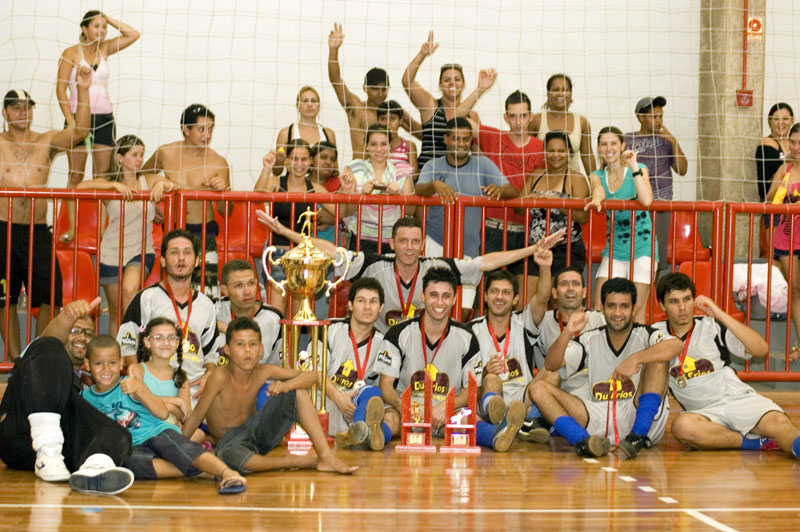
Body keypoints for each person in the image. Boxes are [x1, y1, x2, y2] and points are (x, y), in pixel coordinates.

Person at [258, 215, 562, 333]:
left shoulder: (437, 267)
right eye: (402, 241)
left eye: (415, 241)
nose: (409, 247)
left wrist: (532, 249)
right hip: (377, 342)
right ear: (393, 243)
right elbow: (332, 250)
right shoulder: (373, 263)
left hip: (418, 344)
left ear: (422, 244)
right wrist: (287, 232)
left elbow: (485, 262)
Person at [181, 317, 358, 475]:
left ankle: (325, 456)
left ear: (261, 349)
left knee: (297, 391)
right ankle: (303, 461)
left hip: (257, 434)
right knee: (227, 456)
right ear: (227, 350)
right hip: (230, 443)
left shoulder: (263, 371)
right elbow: (197, 416)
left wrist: (286, 385)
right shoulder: (219, 377)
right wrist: (176, 448)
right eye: (240, 344)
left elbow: (314, 375)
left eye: (253, 344)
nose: (247, 350)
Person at [530, 277, 683, 458]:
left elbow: (676, 345)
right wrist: (567, 332)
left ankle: (637, 436)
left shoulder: (645, 334)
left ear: (634, 309)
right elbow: (551, 364)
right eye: (611, 306)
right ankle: (583, 441)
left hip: (638, 414)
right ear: (602, 308)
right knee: (537, 388)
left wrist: (636, 358)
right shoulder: (590, 338)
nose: (618, 313)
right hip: (598, 415)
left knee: (658, 357)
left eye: (624, 306)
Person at [653, 272, 800, 459]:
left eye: (687, 299)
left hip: (739, 400)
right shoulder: (655, 334)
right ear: (661, 305)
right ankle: (756, 443)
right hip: (704, 413)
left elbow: (761, 349)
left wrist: (719, 314)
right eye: (674, 301)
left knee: (780, 424)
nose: (682, 307)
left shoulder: (712, 325)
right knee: (682, 427)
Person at [0, 69, 92, 360]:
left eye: (27, 107)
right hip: (3, 228)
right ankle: (16, 361)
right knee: (6, 299)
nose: (22, 112)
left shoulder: (46, 142)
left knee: (50, 297)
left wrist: (84, 89)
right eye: (15, 107)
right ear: (4, 112)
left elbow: (80, 132)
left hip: (37, 230)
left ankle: (37, 354)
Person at [0, 298, 134, 495]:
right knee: (51, 348)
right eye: (75, 330)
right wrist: (67, 317)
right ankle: (48, 452)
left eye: (88, 333)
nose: (82, 337)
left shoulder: (89, 382)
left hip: (61, 457)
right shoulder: (41, 354)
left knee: (118, 434)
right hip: (19, 437)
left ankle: (93, 472)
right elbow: (49, 339)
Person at [81, 334, 247, 493]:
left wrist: (140, 389)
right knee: (129, 464)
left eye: (111, 363)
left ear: (121, 362)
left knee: (181, 449)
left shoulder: (130, 383)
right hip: (133, 445)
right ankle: (203, 469)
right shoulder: (84, 398)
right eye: (98, 364)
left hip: (157, 432)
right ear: (87, 365)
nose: (106, 369)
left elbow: (161, 412)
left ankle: (227, 473)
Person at [375, 268, 504, 443]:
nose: (440, 302)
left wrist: (446, 406)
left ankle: (498, 436)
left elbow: (473, 389)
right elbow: (385, 385)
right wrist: (402, 405)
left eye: (446, 296)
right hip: (407, 410)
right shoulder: (398, 333)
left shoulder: (466, 338)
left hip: (448, 411)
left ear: (454, 299)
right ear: (423, 296)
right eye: (434, 295)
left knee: (467, 422)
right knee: (390, 419)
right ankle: (373, 437)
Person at [70, 134, 176, 334]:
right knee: (116, 314)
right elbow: (80, 187)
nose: (139, 160)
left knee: (129, 290)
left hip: (140, 249)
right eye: (134, 155)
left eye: (141, 155)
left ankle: (130, 348)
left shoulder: (147, 180)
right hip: (111, 252)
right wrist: (113, 186)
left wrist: (163, 185)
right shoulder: (109, 184)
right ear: (119, 158)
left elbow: (174, 184)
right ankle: (117, 358)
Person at [117, 229, 223, 403]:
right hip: (154, 389)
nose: (181, 258)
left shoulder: (206, 305)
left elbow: (212, 352)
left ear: (197, 261)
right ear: (164, 261)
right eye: (174, 252)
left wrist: (209, 373)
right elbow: (126, 344)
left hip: (195, 390)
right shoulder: (146, 298)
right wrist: (143, 381)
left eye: (187, 252)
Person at [254, 141, 348, 316]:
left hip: (303, 258)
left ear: (311, 162)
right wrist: (267, 167)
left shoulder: (315, 188)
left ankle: (296, 345)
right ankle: (277, 344)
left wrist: (346, 190)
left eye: (304, 159)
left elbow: (340, 212)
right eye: (294, 159)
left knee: (299, 313)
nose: (299, 164)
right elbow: (257, 195)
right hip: (277, 254)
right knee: (276, 314)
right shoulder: (276, 182)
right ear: (287, 161)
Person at [141, 103, 230, 288]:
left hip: (204, 232)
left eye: (210, 129)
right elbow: (138, 178)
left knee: (206, 290)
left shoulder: (218, 162)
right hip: (173, 231)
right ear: (186, 129)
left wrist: (223, 193)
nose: (207, 135)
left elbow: (226, 211)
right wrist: (155, 194)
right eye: (201, 129)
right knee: (173, 287)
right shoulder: (166, 153)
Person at [464, 264, 550, 451]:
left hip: (522, 400)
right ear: (485, 296)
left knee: (551, 372)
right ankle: (519, 423)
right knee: (492, 379)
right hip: (487, 401)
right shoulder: (470, 331)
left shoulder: (524, 322)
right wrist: (485, 372)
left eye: (506, 292)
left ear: (515, 299)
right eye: (494, 291)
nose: (499, 297)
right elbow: (468, 381)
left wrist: (544, 267)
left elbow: (542, 298)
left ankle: (520, 421)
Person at [56, 10, 140, 185]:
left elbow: (133, 34)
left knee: (101, 176)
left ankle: (101, 214)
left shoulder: (105, 48)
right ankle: (72, 214)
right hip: (77, 118)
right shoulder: (71, 52)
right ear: (84, 29)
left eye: (104, 27)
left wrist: (107, 18)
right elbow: (60, 89)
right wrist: (70, 121)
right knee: (76, 175)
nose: (102, 30)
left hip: (104, 118)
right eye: (97, 26)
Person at [416, 117, 517, 262]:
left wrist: (499, 190)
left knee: (466, 286)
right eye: (456, 139)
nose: (461, 144)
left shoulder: (482, 164)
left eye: (466, 139)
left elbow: (511, 190)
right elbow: (419, 189)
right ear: (446, 139)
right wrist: (434, 185)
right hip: (435, 242)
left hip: (469, 247)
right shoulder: (432, 165)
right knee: (432, 285)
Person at [586, 126, 655, 324]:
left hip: (643, 247)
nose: (609, 148)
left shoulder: (639, 168)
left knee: (636, 311)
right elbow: (598, 190)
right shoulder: (597, 174)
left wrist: (633, 166)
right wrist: (597, 200)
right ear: (598, 148)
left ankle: (638, 354)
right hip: (615, 248)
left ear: (623, 145)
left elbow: (647, 200)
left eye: (613, 143)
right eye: (604, 144)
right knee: (598, 309)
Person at [317, 278, 390, 451]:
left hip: (356, 406)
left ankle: (360, 427)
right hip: (324, 399)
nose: (367, 307)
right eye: (361, 301)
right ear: (350, 305)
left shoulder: (384, 344)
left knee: (373, 392)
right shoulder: (329, 329)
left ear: (381, 308)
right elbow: (314, 372)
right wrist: (338, 397)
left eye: (373, 302)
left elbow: (380, 390)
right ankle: (365, 431)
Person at [327, 23, 420, 157]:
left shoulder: (392, 112)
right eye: (375, 89)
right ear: (365, 88)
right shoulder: (356, 108)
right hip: (360, 170)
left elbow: (422, 134)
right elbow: (335, 79)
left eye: (384, 89)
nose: (380, 93)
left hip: (387, 173)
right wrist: (333, 50)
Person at [519, 130, 589, 302]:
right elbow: (518, 209)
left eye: (561, 150)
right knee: (526, 303)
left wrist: (555, 202)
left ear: (569, 153)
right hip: (536, 247)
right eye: (551, 150)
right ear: (544, 152)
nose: (555, 155)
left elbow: (583, 217)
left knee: (559, 303)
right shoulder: (536, 175)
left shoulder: (576, 178)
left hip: (566, 249)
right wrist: (530, 201)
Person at [624, 96, 689, 273]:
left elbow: (682, 170)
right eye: (654, 117)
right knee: (631, 254)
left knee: (656, 257)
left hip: (660, 205)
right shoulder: (627, 139)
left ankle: (651, 296)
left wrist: (673, 141)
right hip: (633, 206)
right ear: (640, 117)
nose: (659, 121)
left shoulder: (667, 141)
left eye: (660, 116)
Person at [403, 31, 484, 168]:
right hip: (427, 177)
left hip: (456, 178)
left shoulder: (473, 116)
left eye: (457, 79)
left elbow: (477, 151)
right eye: (447, 80)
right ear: (440, 85)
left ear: (463, 84)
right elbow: (407, 82)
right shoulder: (430, 106)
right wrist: (422, 54)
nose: (452, 83)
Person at [342, 124, 415, 253]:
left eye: (383, 144)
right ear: (367, 145)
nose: (379, 149)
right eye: (374, 144)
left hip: (392, 240)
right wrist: (362, 196)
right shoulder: (355, 168)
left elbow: (410, 211)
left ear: (390, 145)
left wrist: (397, 197)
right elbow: (346, 212)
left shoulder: (402, 170)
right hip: (360, 239)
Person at [766, 122, 800, 360]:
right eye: (794, 142)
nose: (797, 147)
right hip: (787, 237)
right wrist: (780, 185)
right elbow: (768, 201)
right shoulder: (784, 170)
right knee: (796, 291)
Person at [216, 259, 283, 365]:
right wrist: (224, 327)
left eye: (251, 283)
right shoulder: (215, 309)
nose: (247, 291)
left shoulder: (273, 319)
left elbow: (279, 368)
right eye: (239, 285)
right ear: (225, 290)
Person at [530, 74, 596, 180]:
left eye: (565, 90)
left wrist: (595, 185)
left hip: (572, 184)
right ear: (548, 93)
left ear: (571, 94)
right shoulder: (536, 120)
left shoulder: (582, 122)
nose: (560, 93)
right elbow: (526, 154)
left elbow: (587, 156)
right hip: (542, 183)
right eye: (556, 89)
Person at [271, 86, 337, 177]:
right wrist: (279, 161)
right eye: (305, 101)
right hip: (294, 188)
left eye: (313, 101)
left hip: (322, 188)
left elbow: (334, 168)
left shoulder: (329, 134)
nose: (310, 104)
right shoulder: (286, 133)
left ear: (319, 106)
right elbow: (276, 172)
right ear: (297, 106)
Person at [757, 103, 794, 258]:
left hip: (794, 205)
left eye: (785, 118)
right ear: (769, 121)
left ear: (792, 120)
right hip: (775, 208)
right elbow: (774, 176)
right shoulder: (766, 144)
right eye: (776, 119)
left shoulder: (794, 144)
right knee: (777, 255)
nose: (781, 122)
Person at [377, 100, 419, 175]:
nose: (387, 123)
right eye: (383, 119)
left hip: (403, 185)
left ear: (400, 120)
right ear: (378, 121)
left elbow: (414, 175)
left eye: (392, 119)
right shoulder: (374, 146)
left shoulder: (409, 145)